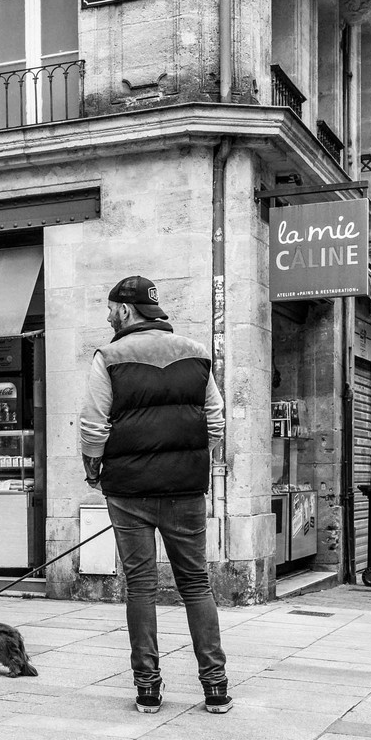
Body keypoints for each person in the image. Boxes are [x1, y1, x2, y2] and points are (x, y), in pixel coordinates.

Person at [79, 275, 231, 715]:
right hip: (185, 489)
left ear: (126, 311)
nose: (108, 317)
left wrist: (94, 467)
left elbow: (93, 423)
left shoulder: (108, 356)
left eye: (111, 309)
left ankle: (148, 688)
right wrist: (195, 460)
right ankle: (215, 687)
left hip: (128, 490)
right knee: (196, 583)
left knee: (141, 587)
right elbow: (216, 421)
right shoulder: (197, 353)